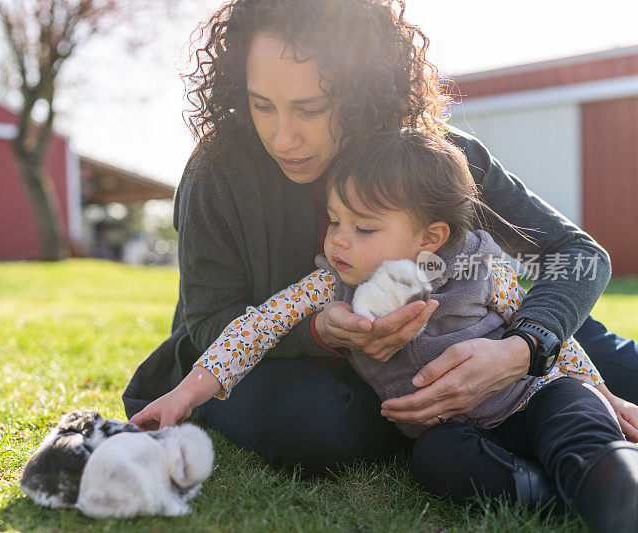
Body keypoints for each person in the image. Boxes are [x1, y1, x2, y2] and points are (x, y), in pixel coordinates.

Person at [122, 0, 638, 505]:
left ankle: (557, 437)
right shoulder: (217, 173)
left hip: (473, 323)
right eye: (262, 105)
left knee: (617, 368)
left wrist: (522, 349)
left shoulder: (435, 160)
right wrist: (322, 332)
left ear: (361, 91)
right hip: (284, 363)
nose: (283, 136)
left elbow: (576, 254)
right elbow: (210, 319)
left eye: (310, 108)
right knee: (319, 425)